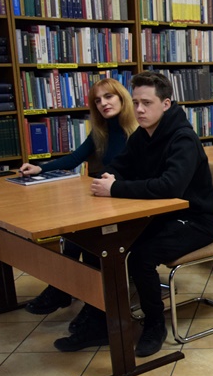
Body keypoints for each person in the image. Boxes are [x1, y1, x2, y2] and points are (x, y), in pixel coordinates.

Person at [59, 71, 213, 357]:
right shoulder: (142, 135)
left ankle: (154, 325)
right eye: (135, 103)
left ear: (166, 104)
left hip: (195, 220)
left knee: (141, 257)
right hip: (160, 215)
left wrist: (117, 188)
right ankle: (100, 318)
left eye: (147, 103)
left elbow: (171, 186)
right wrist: (112, 177)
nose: (140, 110)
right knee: (97, 242)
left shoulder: (183, 139)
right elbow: (121, 165)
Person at [19, 78, 137, 338]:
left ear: (122, 98)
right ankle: (69, 291)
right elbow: (75, 157)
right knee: (73, 235)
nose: (103, 103)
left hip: (130, 200)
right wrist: (41, 168)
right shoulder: (102, 130)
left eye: (109, 97)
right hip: (107, 197)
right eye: (97, 100)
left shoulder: (137, 130)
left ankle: (82, 300)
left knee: (88, 236)